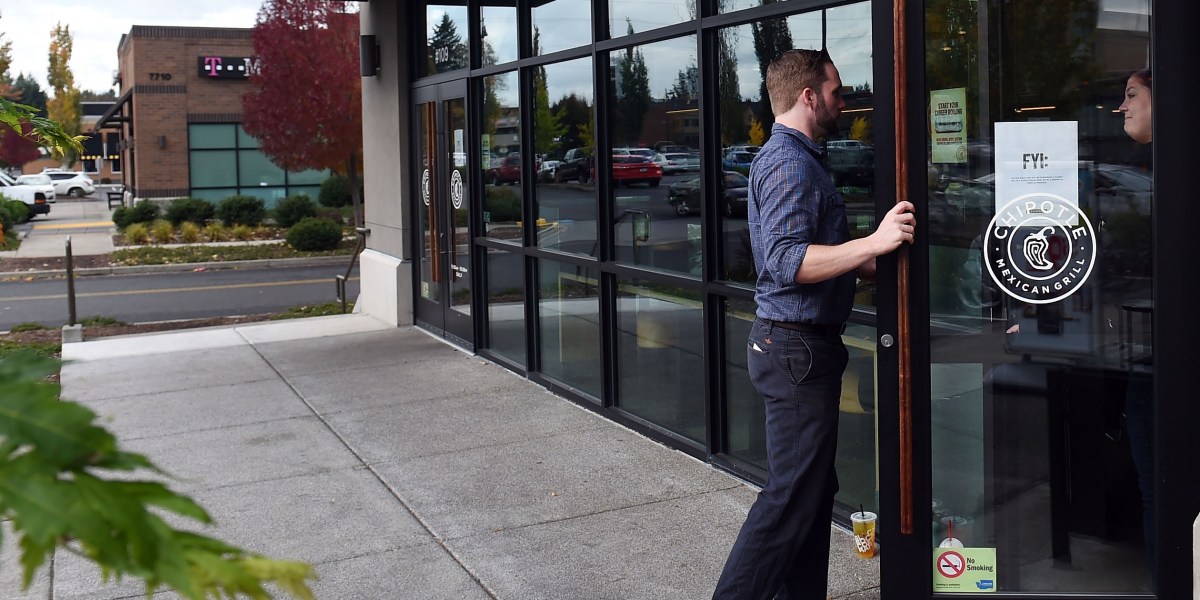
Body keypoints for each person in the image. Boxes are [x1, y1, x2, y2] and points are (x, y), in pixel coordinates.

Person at [712, 48, 915, 600]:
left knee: (811, 493)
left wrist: (872, 258)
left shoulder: (799, 158)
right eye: (836, 92)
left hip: (801, 348)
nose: (843, 103)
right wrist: (870, 243)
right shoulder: (789, 163)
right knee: (790, 496)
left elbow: (813, 251)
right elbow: (784, 259)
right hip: (797, 350)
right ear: (808, 96)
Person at [1118, 67, 1155, 588]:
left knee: (1159, 487)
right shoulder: (1148, 172)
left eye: (1131, 96)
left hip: (1159, 358)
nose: (1121, 107)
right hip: (1147, 352)